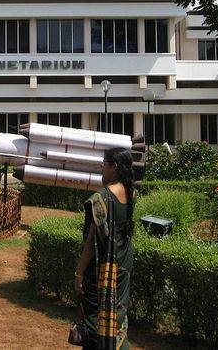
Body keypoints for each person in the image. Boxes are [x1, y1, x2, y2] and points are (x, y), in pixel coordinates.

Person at [74, 147, 135, 349]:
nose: (102, 167)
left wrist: (79, 272)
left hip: (103, 269)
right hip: (124, 264)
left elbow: (93, 241)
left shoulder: (100, 199)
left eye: (104, 163)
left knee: (95, 318)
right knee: (118, 313)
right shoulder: (131, 192)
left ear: (114, 167)